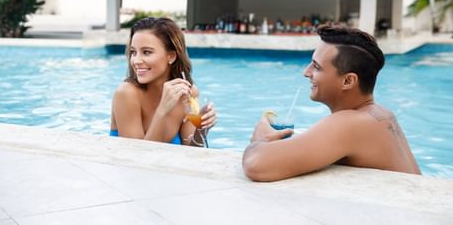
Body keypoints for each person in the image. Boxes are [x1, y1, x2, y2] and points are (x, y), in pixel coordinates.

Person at [242, 25, 421, 181]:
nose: (306, 72)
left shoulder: (351, 123)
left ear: (348, 81)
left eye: (316, 66)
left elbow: (255, 165)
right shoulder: (382, 115)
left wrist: (261, 139)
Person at [110, 17, 217, 146]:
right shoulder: (126, 93)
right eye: (133, 52)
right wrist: (163, 110)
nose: (136, 60)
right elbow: (137, 157)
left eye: (147, 52)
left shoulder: (187, 92)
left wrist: (202, 129)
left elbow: (191, 150)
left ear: (171, 56)